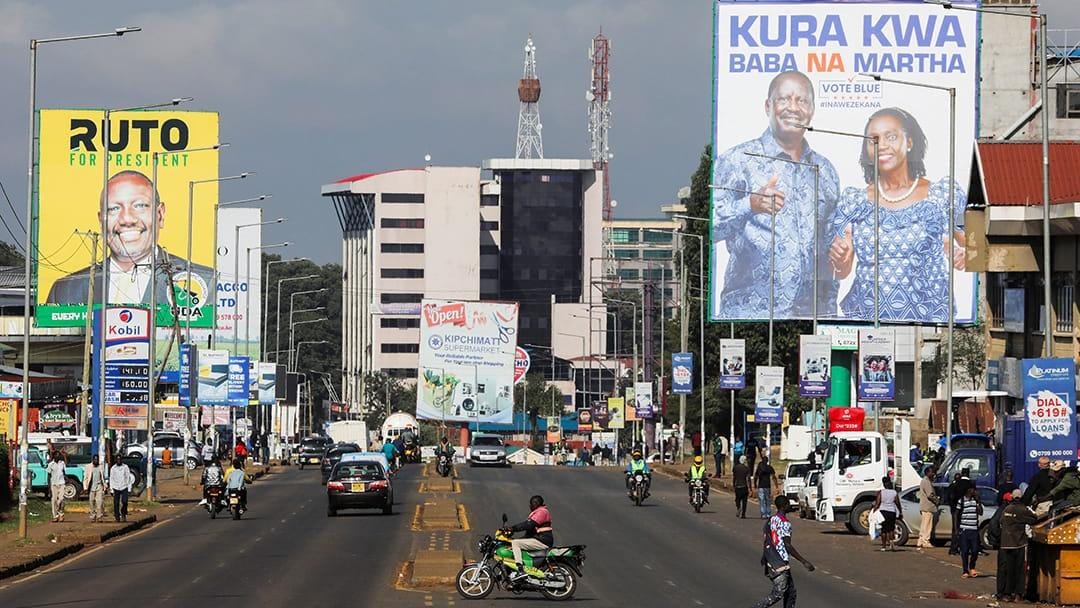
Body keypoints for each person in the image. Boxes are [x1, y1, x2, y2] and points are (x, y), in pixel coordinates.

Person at [711, 70, 841, 319]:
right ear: (768, 106)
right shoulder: (738, 160)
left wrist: (842, 255)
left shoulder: (826, 171)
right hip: (750, 316)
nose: (793, 107)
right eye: (784, 99)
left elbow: (829, 247)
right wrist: (751, 203)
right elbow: (710, 229)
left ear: (812, 109)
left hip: (813, 318)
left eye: (802, 100)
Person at [829, 107, 966, 322]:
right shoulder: (853, 201)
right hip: (865, 323)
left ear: (909, 142)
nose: (881, 145)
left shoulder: (943, 195)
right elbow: (842, 271)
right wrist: (840, 258)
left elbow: (977, 247)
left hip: (928, 325)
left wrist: (963, 254)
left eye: (890, 137)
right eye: (873, 139)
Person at [46, 170, 215, 305]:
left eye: (139, 206)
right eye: (114, 209)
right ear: (101, 220)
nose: (127, 219)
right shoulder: (65, 290)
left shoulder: (206, 283)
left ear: (160, 214)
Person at [751, 495, 815, 608]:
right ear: (784, 506)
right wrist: (804, 561)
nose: (790, 506)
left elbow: (767, 538)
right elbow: (787, 545)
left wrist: (764, 556)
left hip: (771, 558)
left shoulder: (771, 520)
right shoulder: (785, 523)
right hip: (779, 561)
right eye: (788, 504)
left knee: (791, 593)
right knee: (778, 593)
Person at [997, 491, 1038, 602]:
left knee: (1008, 570)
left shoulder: (1007, 509)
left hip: (1006, 544)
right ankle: (1018, 594)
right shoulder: (1022, 509)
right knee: (1020, 570)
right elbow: (1035, 518)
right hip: (1019, 543)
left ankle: (1007, 594)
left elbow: (1001, 522)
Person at [506, 495, 554, 582]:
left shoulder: (542, 512)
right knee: (515, 543)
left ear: (536, 503)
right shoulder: (537, 512)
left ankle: (520, 570)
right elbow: (529, 533)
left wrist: (512, 528)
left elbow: (529, 525)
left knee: (516, 543)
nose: (530, 506)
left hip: (542, 540)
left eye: (531, 504)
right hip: (538, 539)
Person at [956, 485, 983, 578]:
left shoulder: (975, 500)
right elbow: (957, 514)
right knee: (965, 551)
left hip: (974, 529)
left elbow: (980, 512)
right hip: (964, 529)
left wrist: (978, 502)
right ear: (969, 490)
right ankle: (965, 570)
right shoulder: (961, 501)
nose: (975, 491)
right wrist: (957, 529)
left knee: (975, 550)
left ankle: (972, 567)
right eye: (973, 490)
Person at [947, 469, 974, 555]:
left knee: (955, 529)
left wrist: (952, 507)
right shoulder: (971, 484)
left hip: (955, 509)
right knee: (967, 530)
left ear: (962, 474)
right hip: (967, 509)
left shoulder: (955, 484)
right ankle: (965, 548)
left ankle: (953, 548)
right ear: (968, 474)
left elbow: (949, 496)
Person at [873, 476, 903, 551]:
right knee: (891, 529)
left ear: (883, 484)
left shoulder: (881, 492)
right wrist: (900, 512)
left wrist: (874, 511)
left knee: (884, 530)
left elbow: (877, 503)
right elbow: (897, 503)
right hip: (892, 512)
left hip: (883, 512)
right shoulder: (894, 492)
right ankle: (891, 544)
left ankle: (883, 547)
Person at [917, 465, 939, 550]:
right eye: (932, 472)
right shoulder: (926, 482)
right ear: (928, 473)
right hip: (928, 506)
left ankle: (921, 540)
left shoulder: (924, 481)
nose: (933, 474)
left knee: (924, 525)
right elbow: (930, 495)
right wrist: (937, 501)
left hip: (924, 506)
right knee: (927, 525)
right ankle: (926, 541)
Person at [109, 457, 135, 522]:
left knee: (125, 501)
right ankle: (117, 517)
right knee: (116, 503)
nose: (118, 461)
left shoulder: (125, 467)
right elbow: (111, 479)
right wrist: (111, 489)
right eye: (117, 459)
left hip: (124, 486)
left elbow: (128, 478)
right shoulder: (113, 468)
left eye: (120, 459)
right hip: (116, 487)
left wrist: (129, 488)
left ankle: (123, 513)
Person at [85, 454, 107, 523]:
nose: (96, 460)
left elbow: (103, 477)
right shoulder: (88, 466)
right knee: (91, 502)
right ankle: (93, 516)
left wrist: (105, 486)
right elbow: (86, 477)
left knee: (99, 502)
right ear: (92, 460)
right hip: (91, 487)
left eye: (97, 459)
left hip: (99, 486)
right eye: (95, 459)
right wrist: (85, 487)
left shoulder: (101, 467)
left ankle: (99, 516)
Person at [47, 451, 68, 522]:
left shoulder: (62, 463)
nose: (57, 457)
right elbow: (49, 475)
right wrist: (49, 486)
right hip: (54, 484)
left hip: (61, 483)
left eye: (58, 455)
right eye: (56, 455)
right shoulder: (51, 464)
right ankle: (55, 516)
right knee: (54, 500)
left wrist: (65, 477)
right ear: (53, 456)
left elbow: (64, 472)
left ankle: (61, 513)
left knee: (61, 499)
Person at [733, 455, 753, 519]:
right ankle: (743, 514)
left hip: (738, 486)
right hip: (744, 486)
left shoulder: (735, 467)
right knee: (744, 501)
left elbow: (734, 477)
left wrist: (733, 485)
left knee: (737, 499)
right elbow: (748, 479)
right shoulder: (746, 468)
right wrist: (750, 488)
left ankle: (738, 507)